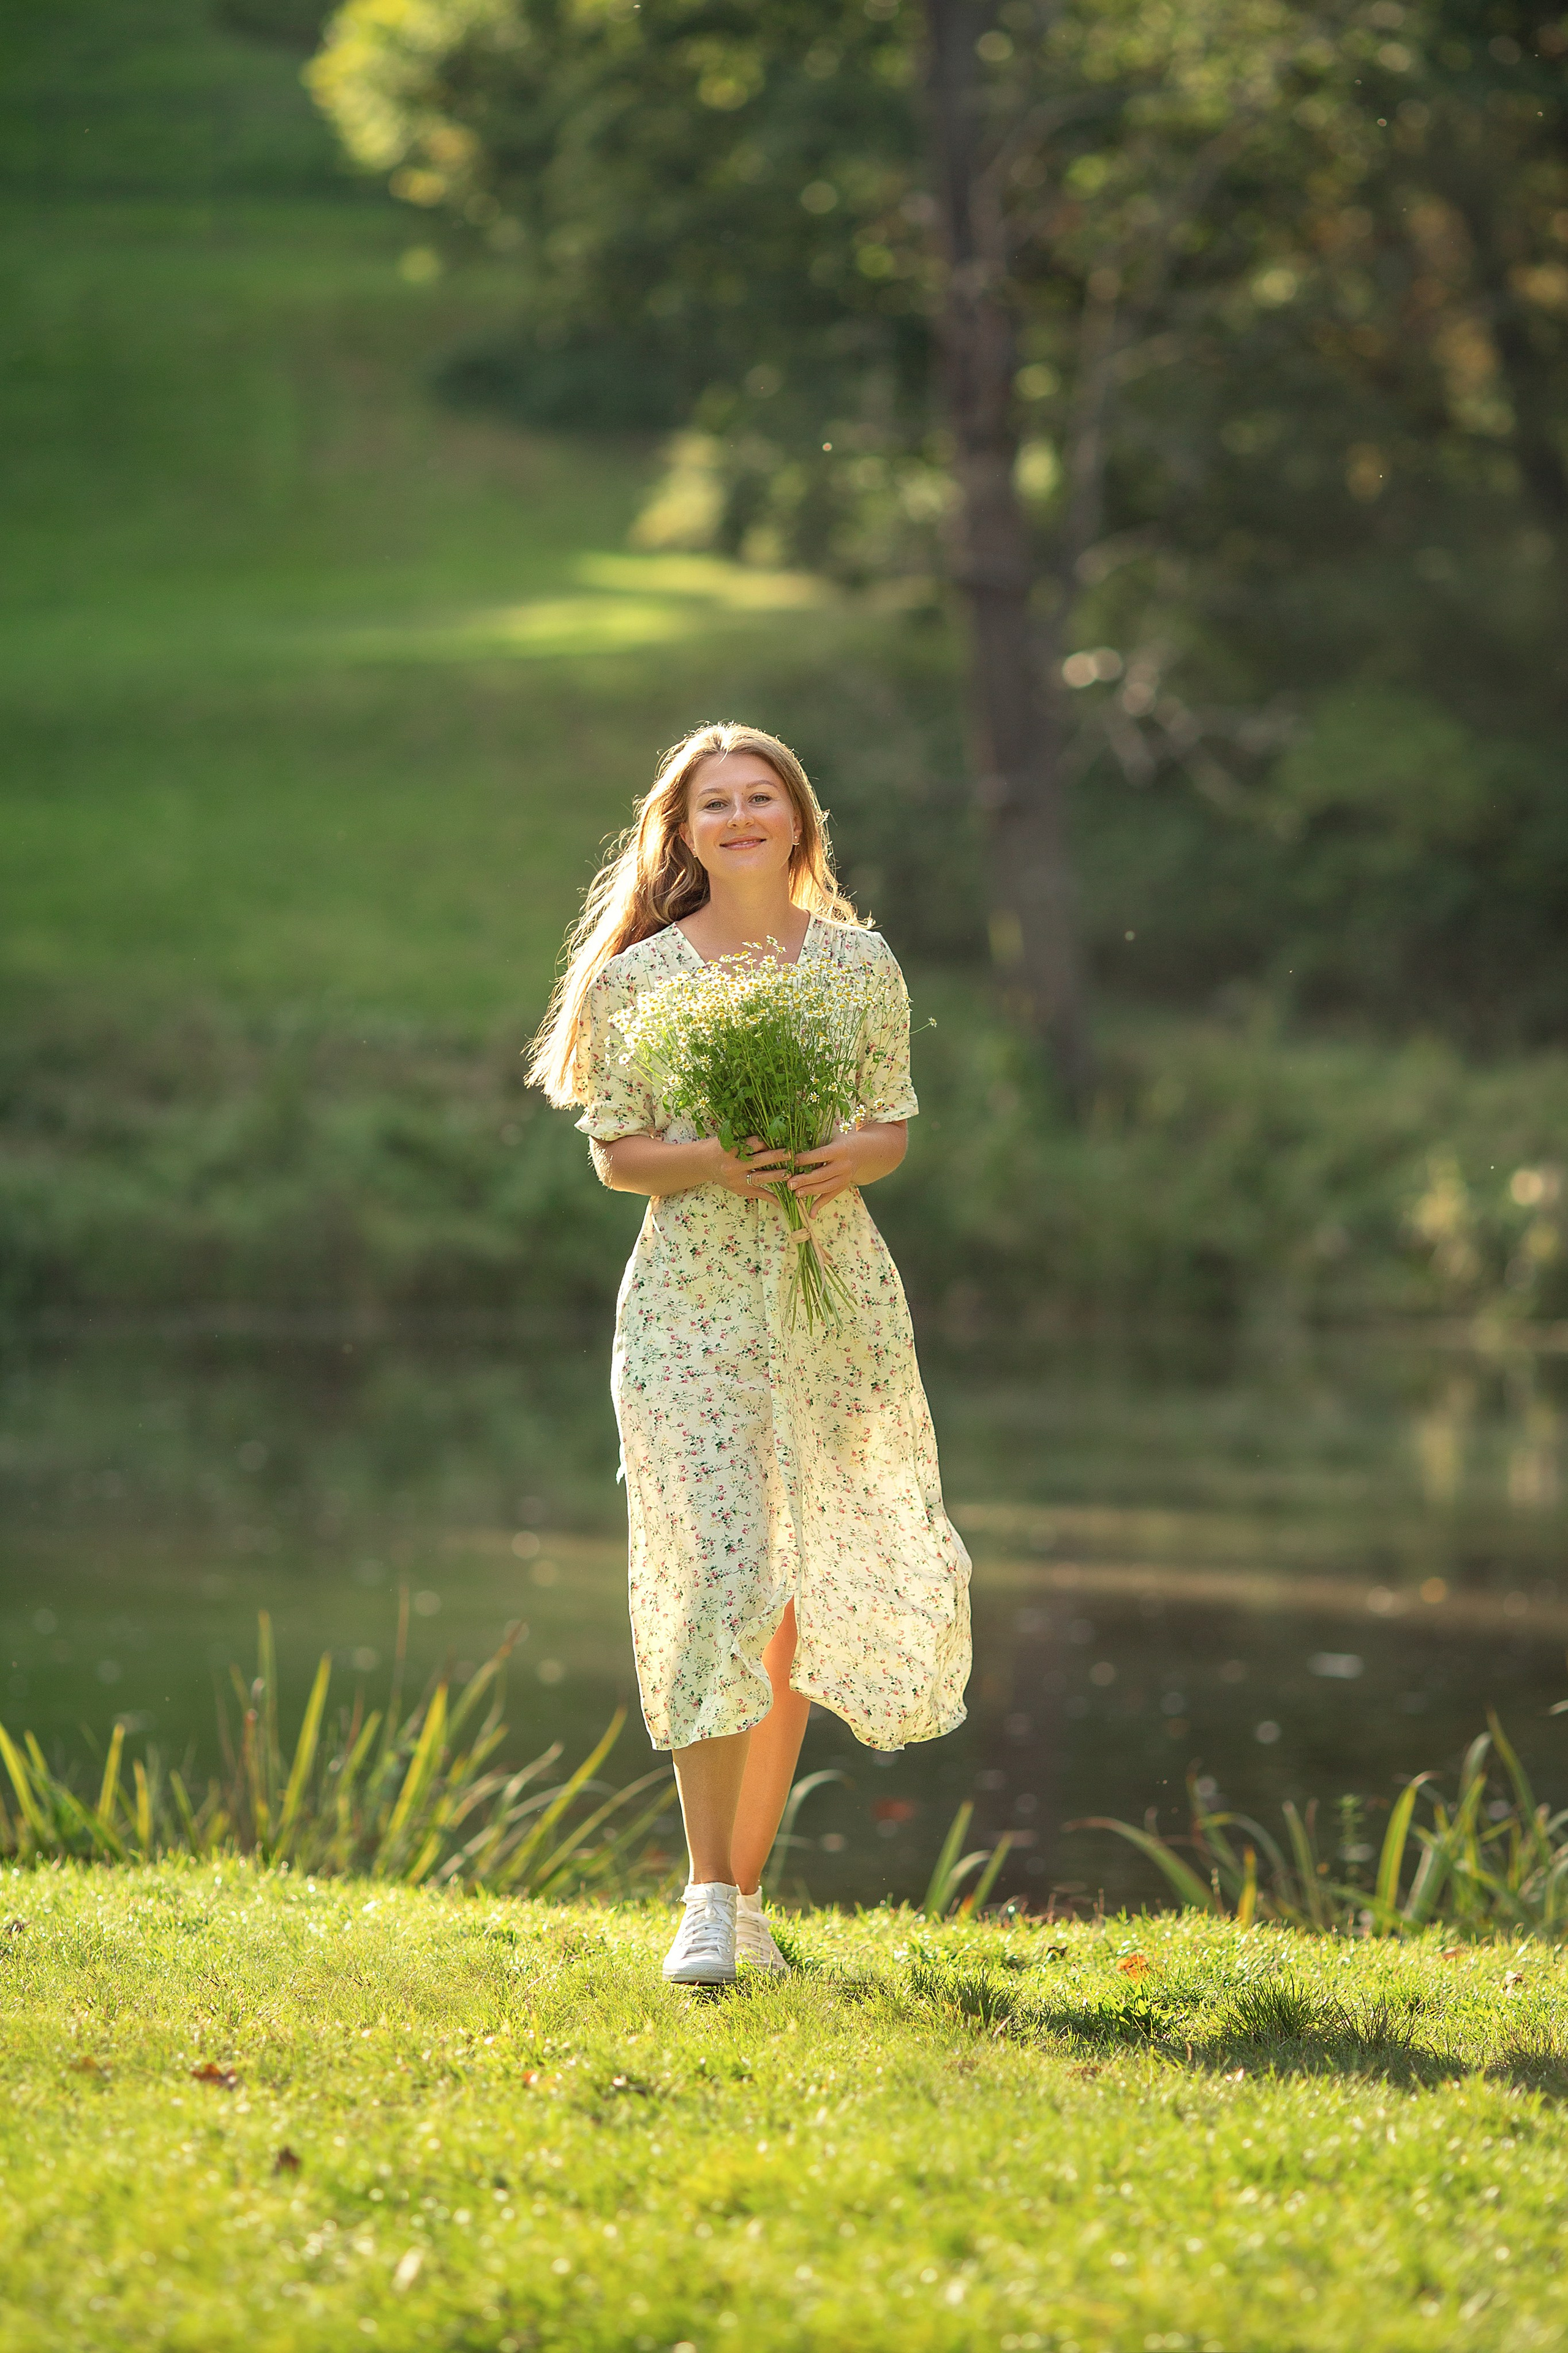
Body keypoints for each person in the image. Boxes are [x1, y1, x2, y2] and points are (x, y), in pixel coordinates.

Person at [529, 722, 971, 1983]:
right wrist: (719, 1161)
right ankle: (701, 1897)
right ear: (682, 828)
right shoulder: (638, 980)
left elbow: (888, 1121)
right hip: (688, 1306)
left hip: (829, 1298)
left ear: (795, 820)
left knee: (787, 1602)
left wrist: (847, 1156)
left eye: (757, 797)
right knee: (713, 1575)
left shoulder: (857, 963)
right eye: (712, 801)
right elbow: (618, 1153)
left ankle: (750, 1898)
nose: (736, 818)